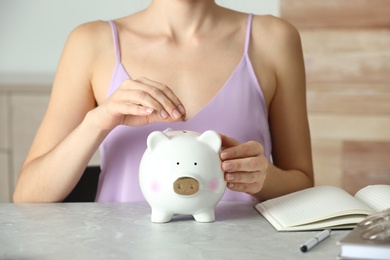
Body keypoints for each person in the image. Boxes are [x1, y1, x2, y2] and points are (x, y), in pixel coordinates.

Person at [13, 0, 314, 203]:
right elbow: (29, 195)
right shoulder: (90, 42)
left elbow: (302, 184)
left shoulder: (274, 38)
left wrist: (264, 178)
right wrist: (98, 121)